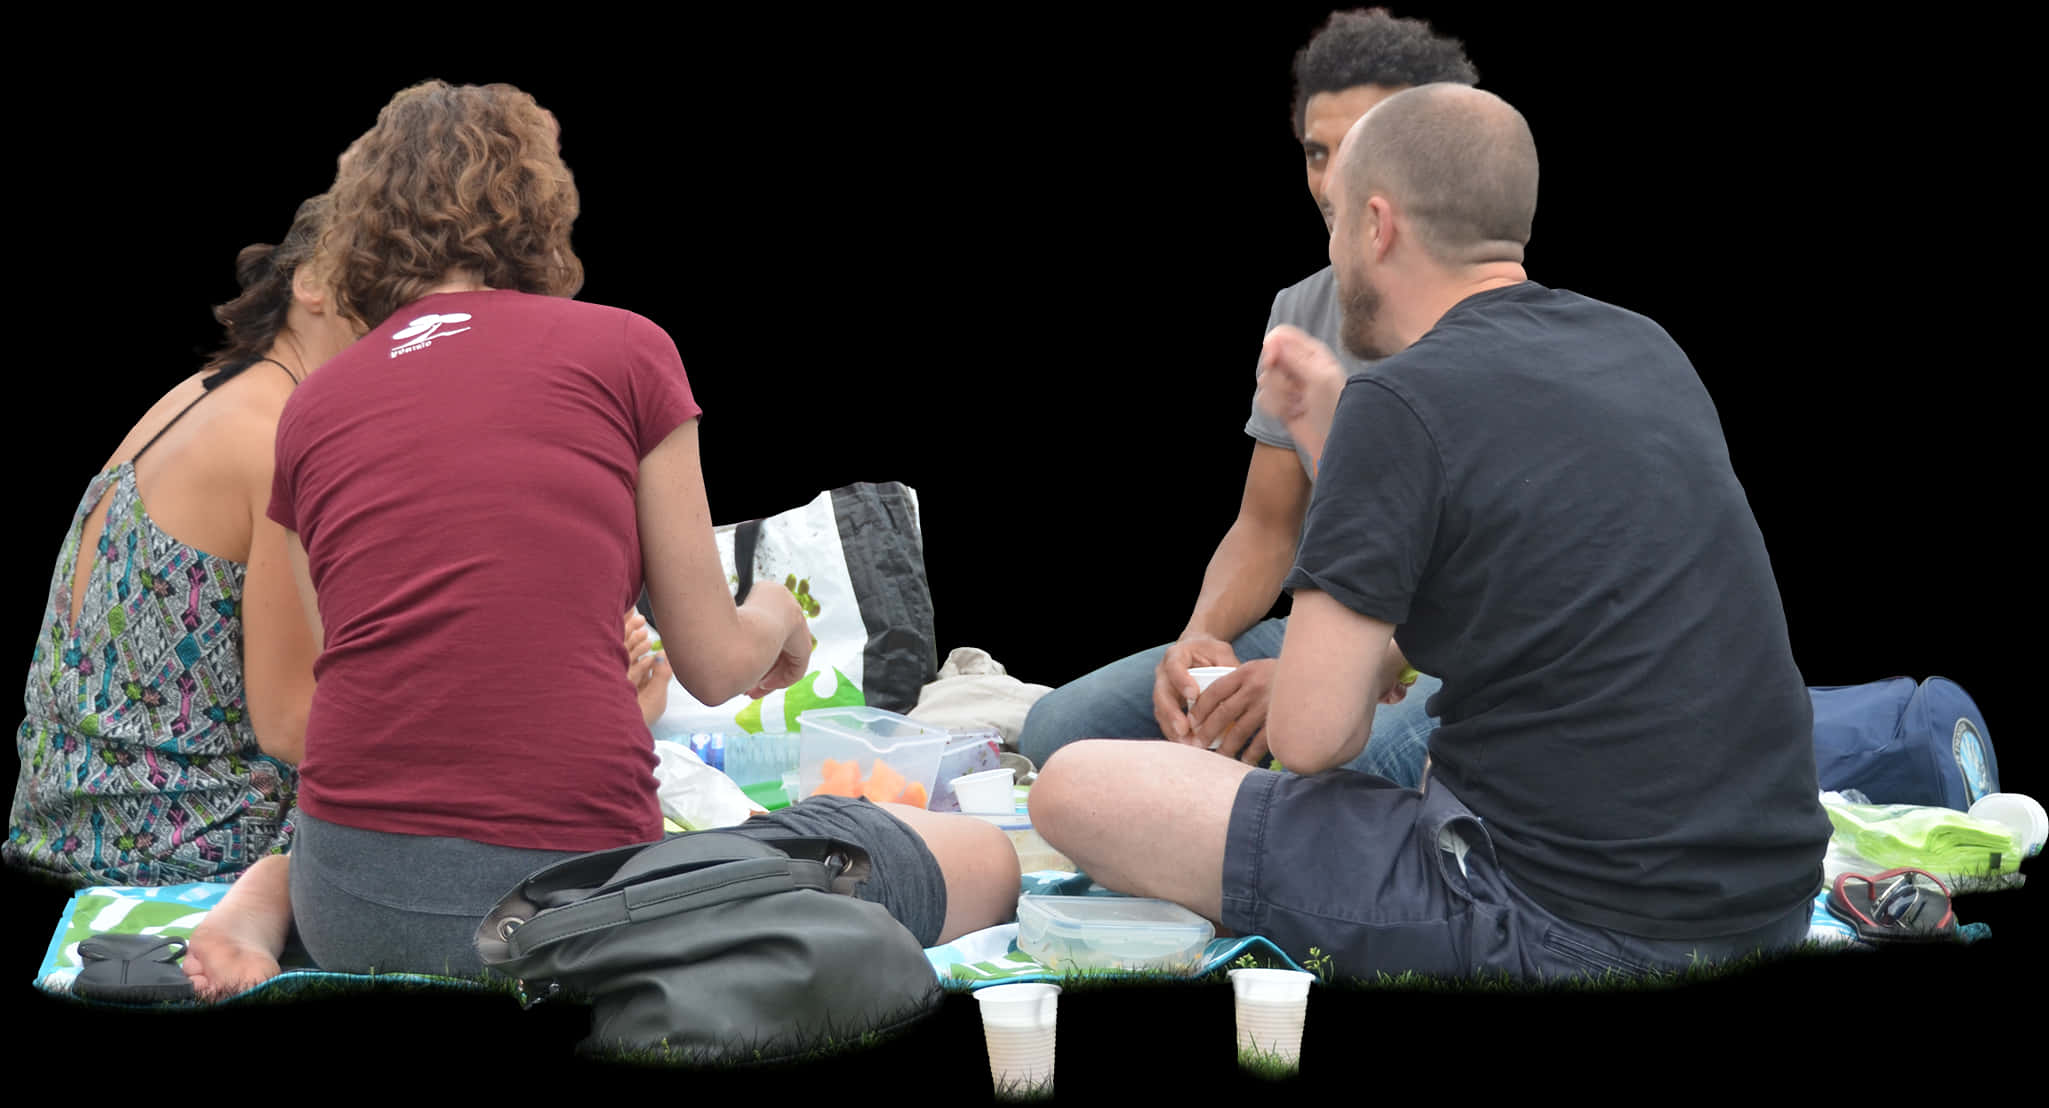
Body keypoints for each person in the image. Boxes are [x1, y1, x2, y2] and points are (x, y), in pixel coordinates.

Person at [184, 79, 1018, 998]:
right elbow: (711, 664)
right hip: (573, 911)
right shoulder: (625, 351)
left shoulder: (311, 408)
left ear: (362, 235)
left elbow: (368, 670)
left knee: (357, 833)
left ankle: (260, 909)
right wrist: (774, 611)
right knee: (984, 858)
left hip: (353, 905)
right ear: (541, 214)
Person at [1029, 84, 1833, 981]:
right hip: (1770, 904)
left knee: (1075, 783)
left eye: (1334, 220)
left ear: (1376, 226)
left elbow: (1311, 739)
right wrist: (1340, 431)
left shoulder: (1400, 397)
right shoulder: (1643, 343)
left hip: (1559, 925)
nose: (1328, 251)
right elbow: (1508, 574)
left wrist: (1349, 432)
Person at [1016, 9, 1477, 782]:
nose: (1331, 182)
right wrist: (1197, 640)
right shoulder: (1302, 308)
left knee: (1351, 778)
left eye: (1357, 149)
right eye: (1316, 152)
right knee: (1061, 728)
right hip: (1319, 635)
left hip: (1440, 651)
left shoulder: (1490, 322)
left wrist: (1330, 679)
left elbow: (1485, 583)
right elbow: (1268, 526)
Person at [4, 196, 351, 887]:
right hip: (185, 844)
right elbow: (297, 727)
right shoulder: (282, 436)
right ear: (312, 281)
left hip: (76, 824)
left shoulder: (204, 393)